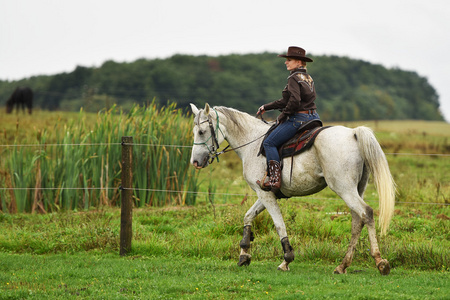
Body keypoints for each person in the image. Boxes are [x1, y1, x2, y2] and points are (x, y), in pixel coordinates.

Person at [257, 46, 320, 191]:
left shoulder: (293, 78)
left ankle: (274, 179)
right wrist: (267, 107)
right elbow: (287, 100)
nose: (286, 62)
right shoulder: (308, 78)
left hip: (298, 119)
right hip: (313, 117)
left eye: (289, 60)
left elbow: (295, 101)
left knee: (269, 143)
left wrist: (282, 115)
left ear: (299, 62)